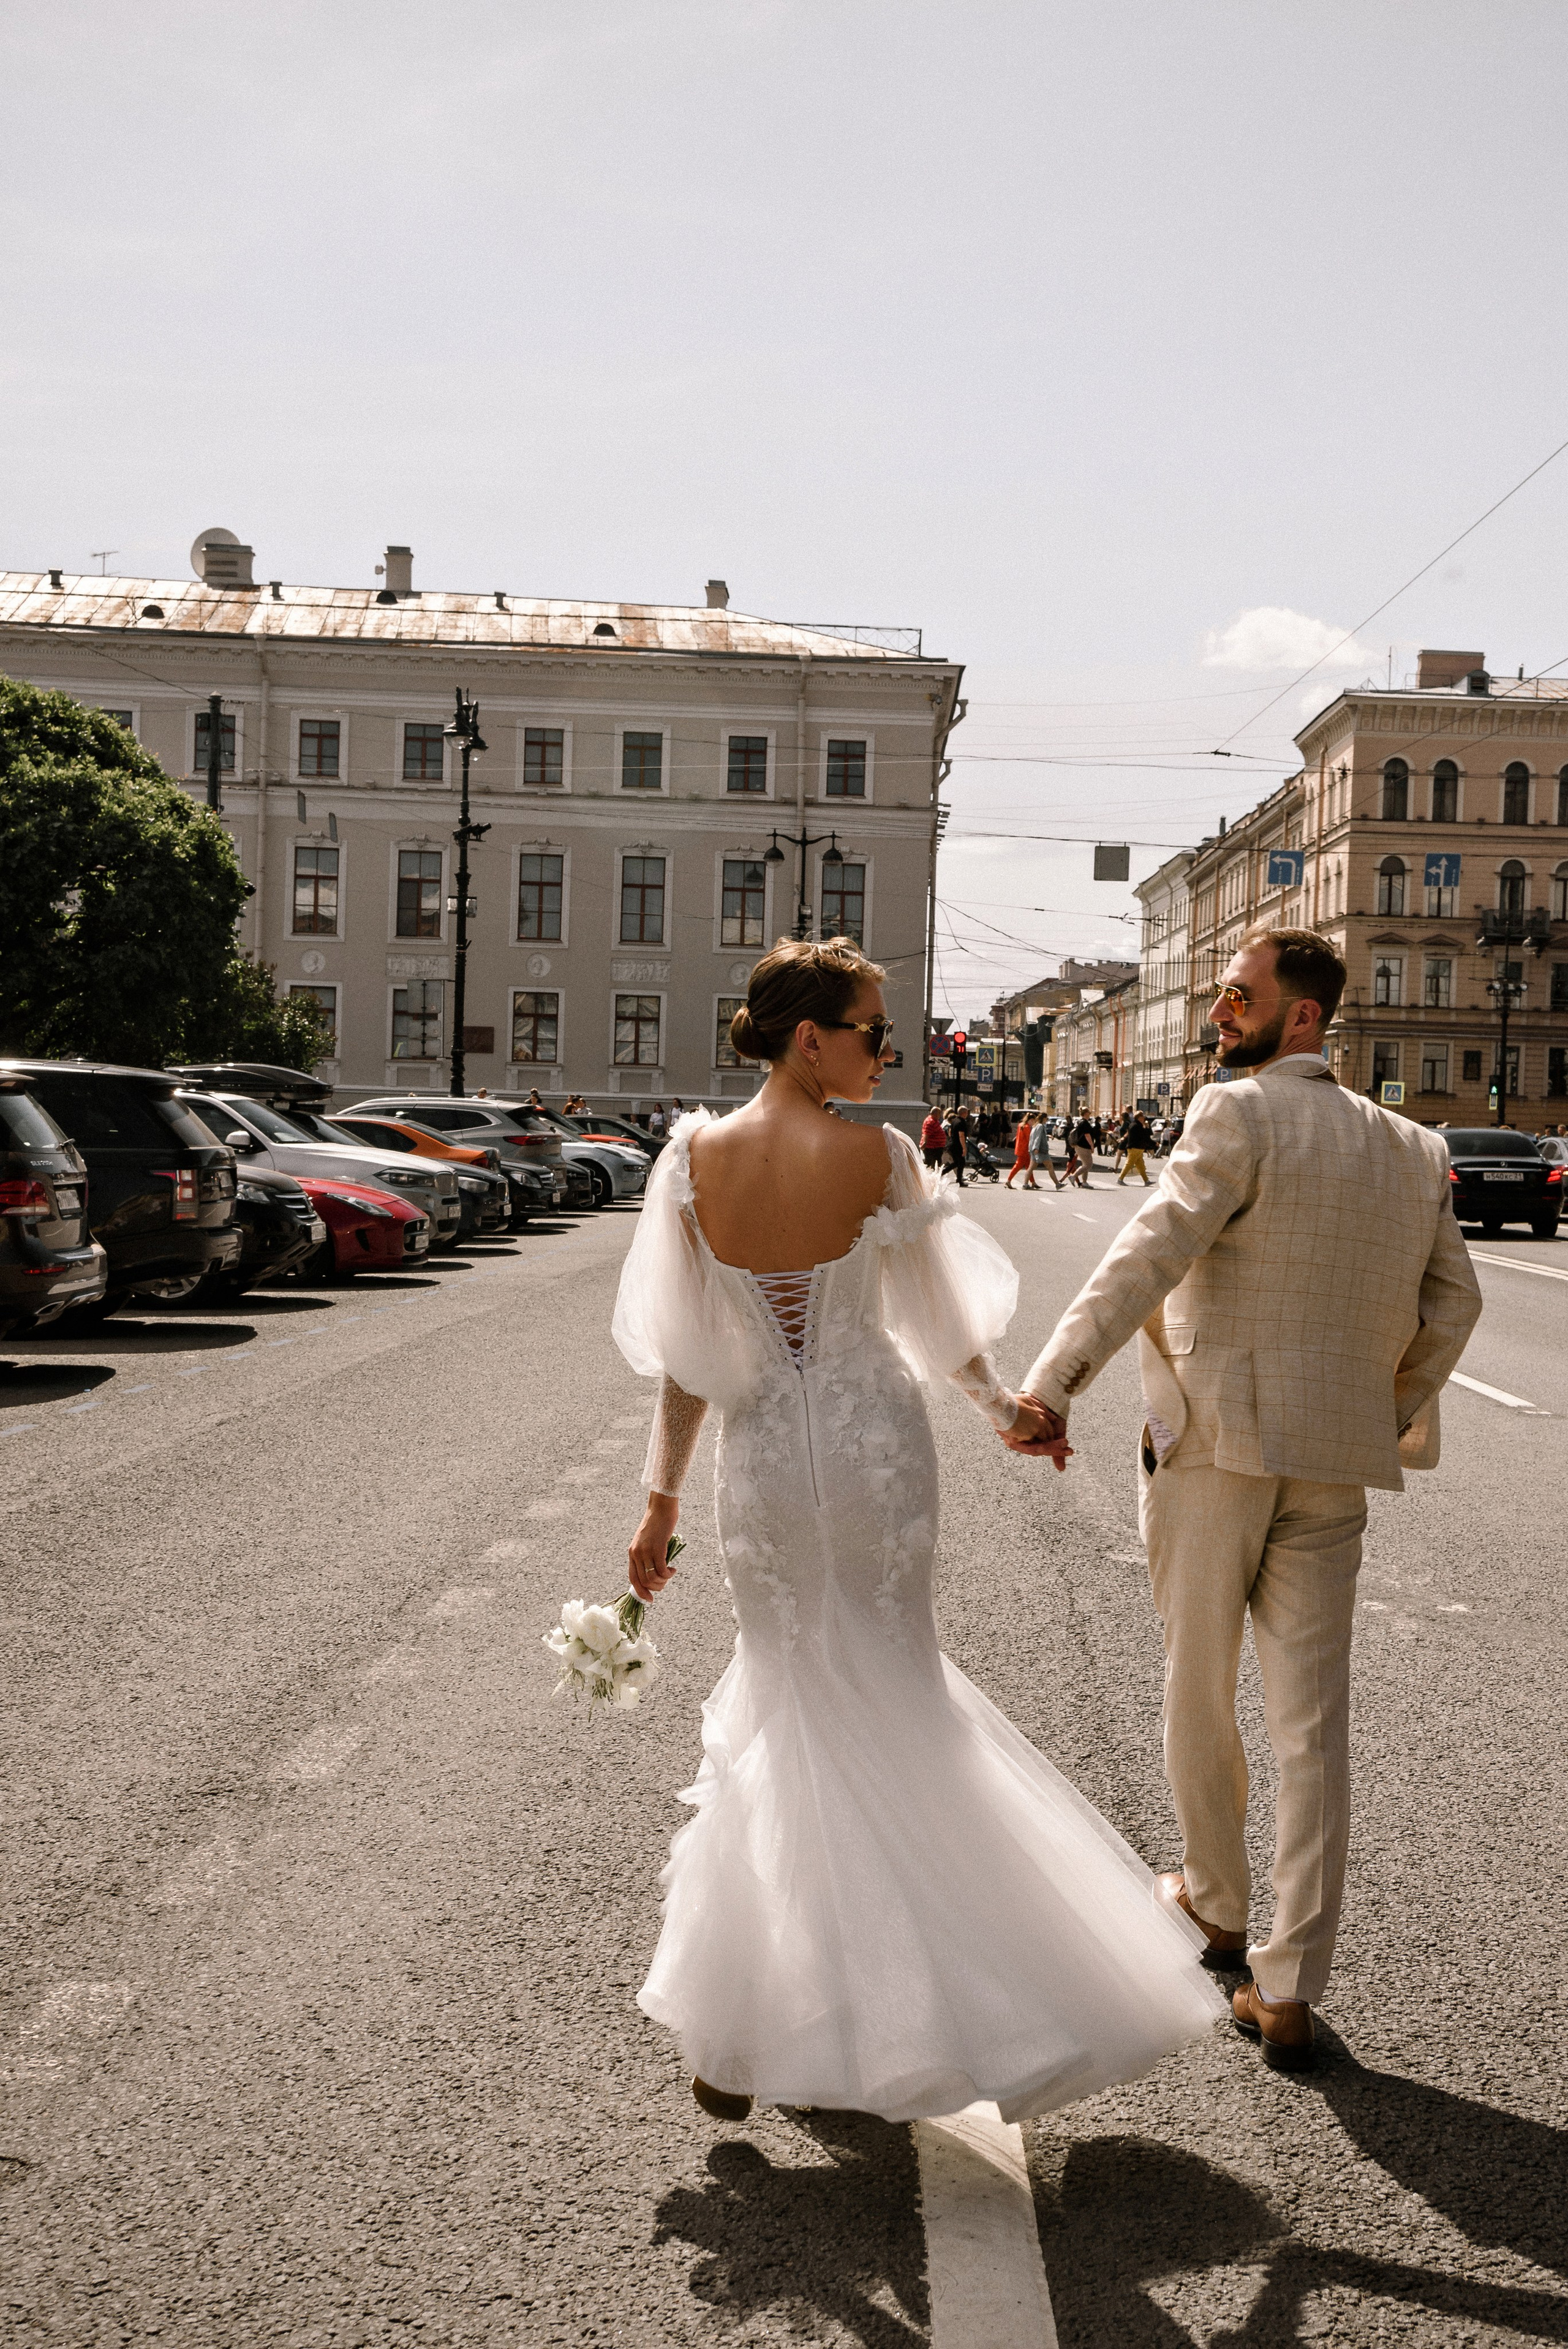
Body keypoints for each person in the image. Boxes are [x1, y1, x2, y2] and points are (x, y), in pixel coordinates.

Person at [614, 937, 1222, 2126]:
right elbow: (940, 1331)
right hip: (873, 1459)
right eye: (870, 1030)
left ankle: (740, 2026)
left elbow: (688, 1367)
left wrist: (658, 1505)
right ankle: (937, 2012)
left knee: (780, 1708)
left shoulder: (688, 1165)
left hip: (763, 1482)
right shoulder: (879, 1157)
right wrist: (1012, 1414)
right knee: (893, 1700)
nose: (887, 1051)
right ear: (808, 1040)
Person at [1006, 926, 1481, 2074]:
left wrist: (1052, 1383)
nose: (1219, 1012)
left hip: (1215, 1446)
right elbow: (1455, 1304)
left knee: (1198, 1682)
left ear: (1303, 1017)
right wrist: (1382, 1401)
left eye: (1237, 996)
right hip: (1334, 1461)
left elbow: (1149, 1252)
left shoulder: (1237, 1114)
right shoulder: (1414, 1147)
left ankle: (1215, 1904)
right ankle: (1290, 1988)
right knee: (1314, 1728)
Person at [1118, 1110, 1155, 1187]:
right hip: (1135, 1148)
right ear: (1139, 1118)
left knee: (1141, 1165)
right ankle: (1120, 1179)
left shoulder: (1134, 1125)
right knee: (1129, 1164)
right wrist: (1147, 1128)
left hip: (1138, 1148)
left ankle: (1146, 1181)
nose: (1144, 1118)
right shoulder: (1137, 1126)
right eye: (1143, 1117)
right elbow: (1146, 1136)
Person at [1030, 1112, 1064, 1191]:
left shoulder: (1037, 1125)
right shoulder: (1041, 1126)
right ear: (1044, 1118)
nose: (1047, 1120)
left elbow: (1037, 1137)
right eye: (1047, 1118)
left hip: (1039, 1150)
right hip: (1042, 1151)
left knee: (1031, 1168)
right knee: (1050, 1167)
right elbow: (1037, 1138)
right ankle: (1057, 1184)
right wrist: (1036, 1148)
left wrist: (1047, 1136)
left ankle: (1025, 1184)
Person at [1005, 1114, 1035, 1189]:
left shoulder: (1021, 1125)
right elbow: (1029, 1139)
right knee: (1018, 1166)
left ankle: (1033, 1182)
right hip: (1024, 1149)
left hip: (1020, 1147)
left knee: (1029, 1166)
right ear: (1031, 1120)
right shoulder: (1027, 1127)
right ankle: (1008, 1181)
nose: (1034, 1123)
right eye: (1034, 1121)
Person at [945, 1106, 969, 1188]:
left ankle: (958, 1180)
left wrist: (952, 1138)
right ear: (964, 1113)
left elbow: (950, 1132)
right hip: (957, 1146)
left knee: (957, 1163)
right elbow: (961, 1136)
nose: (967, 1114)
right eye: (967, 1112)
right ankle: (959, 1180)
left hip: (952, 1144)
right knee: (961, 1163)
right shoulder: (962, 1122)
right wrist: (964, 1148)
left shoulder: (955, 1121)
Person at [1070, 1115, 1096, 1188]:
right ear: (1086, 1113)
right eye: (1089, 1113)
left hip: (1080, 1146)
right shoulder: (1085, 1123)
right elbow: (1087, 1135)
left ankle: (1084, 1182)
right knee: (1088, 1165)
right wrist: (1092, 1146)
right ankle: (1073, 1176)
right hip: (1083, 1146)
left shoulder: (1081, 1122)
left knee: (1085, 1165)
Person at [920, 1106, 947, 1170]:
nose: (940, 1116)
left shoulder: (934, 1120)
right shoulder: (931, 1121)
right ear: (935, 1114)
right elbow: (927, 1133)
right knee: (931, 1162)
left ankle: (933, 1174)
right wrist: (925, 1142)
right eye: (939, 1114)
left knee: (935, 1162)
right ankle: (925, 1174)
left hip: (936, 1146)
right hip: (932, 1147)